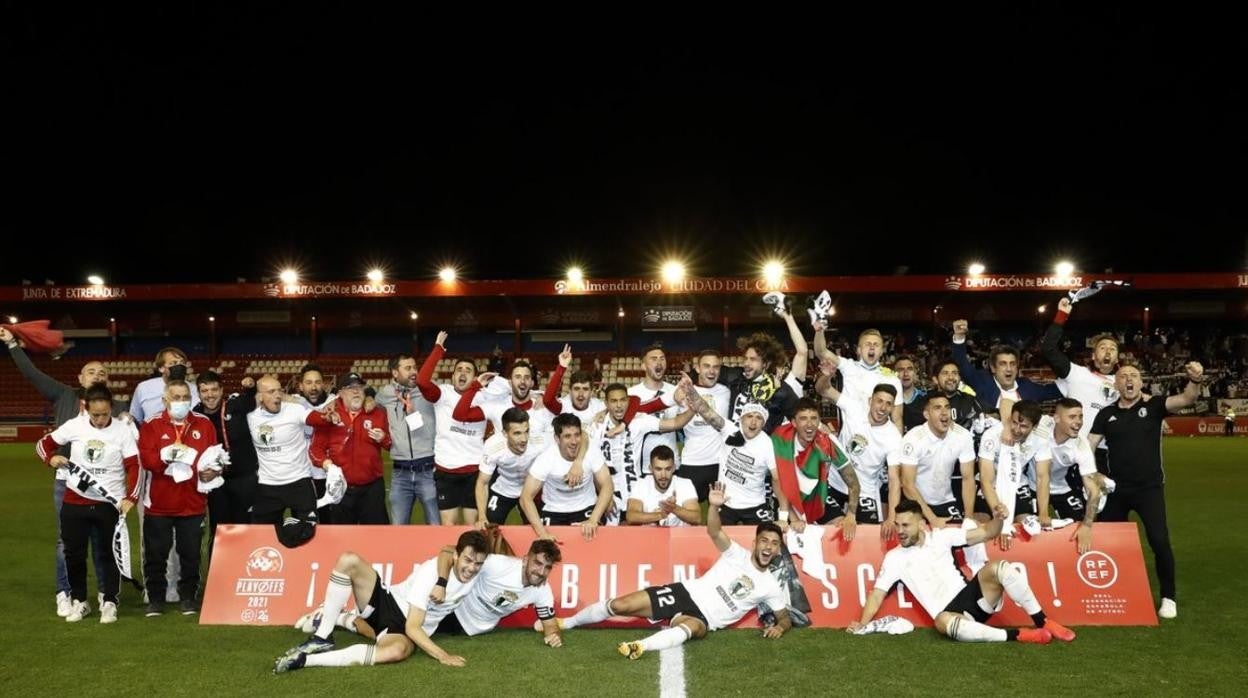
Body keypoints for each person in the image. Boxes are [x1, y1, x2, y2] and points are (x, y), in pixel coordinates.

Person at [555, 482, 792, 659]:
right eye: (764, 541)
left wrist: (780, 627)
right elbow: (714, 532)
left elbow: (784, 617)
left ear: (778, 549)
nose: (768, 547)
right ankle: (568, 622)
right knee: (619, 605)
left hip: (704, 618)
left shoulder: (770, 585)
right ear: (755, 543)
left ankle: (640, 646)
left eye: (773, 543)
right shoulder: (736, 553)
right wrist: (713, 507)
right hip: (684, 593)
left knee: (694, 629)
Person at [847, 499, 1074, 644]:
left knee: (999, 567)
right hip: (950, 615)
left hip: (974, 599)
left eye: (905, 525)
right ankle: (1020, 635)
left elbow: (986, 533)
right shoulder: (894, 557)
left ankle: (1044, 621)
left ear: (921, 524)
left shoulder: (942, 537)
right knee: (942, 622)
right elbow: (877, 594)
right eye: (897, 525)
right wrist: (863, 623)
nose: (900, 531)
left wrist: (999, 518)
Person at [2, 326, 115, 616]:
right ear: (80, 378)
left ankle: (106, 594)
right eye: (92, 372)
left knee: (103, 540)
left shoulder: (116, 408)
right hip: (67, 482)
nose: (97, 376)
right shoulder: (64, 394)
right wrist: (13, 344)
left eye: (102, 373)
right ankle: (65, 593)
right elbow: (31, 374)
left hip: (104, 483)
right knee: (67, 540)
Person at [273, 531, 489, 672]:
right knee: (348, 560)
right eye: (468, 560)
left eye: (478, 563)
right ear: (456, 556)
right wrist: (443, 656)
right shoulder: (430, 574)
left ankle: (307, 659)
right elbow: (413, 627)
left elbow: (449, 547)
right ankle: (322, 637)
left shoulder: (477, 566)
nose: (471, 568)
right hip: (390, 604)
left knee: (395, 652)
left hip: (398, 630)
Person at [1088, 359, 1204, 619]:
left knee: (1159, 541)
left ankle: (1168, 597)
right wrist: (1091, 473)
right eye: (1123, 376)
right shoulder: (1106, 414)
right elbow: (1089, 445)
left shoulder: (1153, 406)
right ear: (1116, 384)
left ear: (1141, 382)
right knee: (1106, 543)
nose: (1128, 379)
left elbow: (1186, 399)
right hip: (1115, 490)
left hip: (1149, 489)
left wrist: (1195, 380)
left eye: (1134, 376)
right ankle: (1115, 590)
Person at [36, 384, 140, 624]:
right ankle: (80, 601)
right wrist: (50, 458)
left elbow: (135, 466)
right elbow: (43, 445)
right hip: (74, 501)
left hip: (108, 503)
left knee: (107, 554)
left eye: (105, 414)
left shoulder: (122, 431)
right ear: (86, 408)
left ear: (111, 408)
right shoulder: (75, 425)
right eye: (95, 415)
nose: (101, 419)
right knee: (74, 555)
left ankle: (110, 601)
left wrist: (130, 497)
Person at [137, 380, 220, 616]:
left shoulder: (203, 424)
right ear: (165, 400)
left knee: (191, 554)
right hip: (159, 504)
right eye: (176, 397)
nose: (181, 402)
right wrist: (170, 457)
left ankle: (188, 598)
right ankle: (155, 599)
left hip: (193, 503)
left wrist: (213, 469)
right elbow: (149, 460)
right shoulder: (151, 425)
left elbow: (213, 457)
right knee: (156, 555)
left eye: (185, 397)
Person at [584, 380, 697, 523]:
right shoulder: (596, 426)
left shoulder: (638, 421)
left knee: (636, 537)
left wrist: (693, 410)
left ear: (628, 401)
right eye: (613, 401)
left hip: (632, 492)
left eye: (623, 400)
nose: (619, 405)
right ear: (606, 403)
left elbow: (674, 423)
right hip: (605, 493)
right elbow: (591, 464)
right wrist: (604, 494)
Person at [248, 376, 338, 547]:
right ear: (259, 396)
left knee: (308, 531)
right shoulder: (250, 416)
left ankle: (298, 558)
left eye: (279, 390)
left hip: (299, 482)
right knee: (261, 536)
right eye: (271, 391)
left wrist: (327, 417)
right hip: (268, 485)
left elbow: (315, 418)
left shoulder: (293, 410)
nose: (278, 395)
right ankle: (276, 567)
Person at [814, 368, 902, 534]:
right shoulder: (854, 407)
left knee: (866, 535)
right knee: (839, 529)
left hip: (864, 490)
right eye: (879, 401)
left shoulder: (893, 437)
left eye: (888, 404)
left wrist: (891, 518)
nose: (883, 407)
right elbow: (823, 389)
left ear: (892, 408)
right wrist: (826, 375)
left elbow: (894, 480)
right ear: (870, 401)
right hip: (834, 481)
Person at [416, 332, 488, 525]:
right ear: (453, 375)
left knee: (473, 529)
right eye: (459, 370)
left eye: (468, 370)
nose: (463, 373)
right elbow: (422, 381)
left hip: (474, 471)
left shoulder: (484, 397)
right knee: (448, 528)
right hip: (446, 471)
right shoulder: (443, 394)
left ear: (475, 377)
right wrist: (438, 350)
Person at [309, 372, 392, 524]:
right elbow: (315, 450)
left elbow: (389, 445)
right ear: (340, 393)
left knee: (376, 537)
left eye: (359, 387)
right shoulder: (329, 414)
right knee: (343, 538)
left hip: (372, 488)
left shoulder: (378, 413)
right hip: (341, 488)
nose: (356, 391)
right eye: (350, 388)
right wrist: (328, 465)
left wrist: (383, 438)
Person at [194, 370, 258, 559]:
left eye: (214, 389)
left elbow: (251, 399)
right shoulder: (196, 415)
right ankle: (219, 578)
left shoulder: (234, 405)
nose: (210, 395)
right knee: (220, 529)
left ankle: (247, 574)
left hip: (244, 479)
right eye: (204, 391)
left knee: (246, 528)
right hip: (216, 483)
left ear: (222, 390)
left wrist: (250, 385)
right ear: (198, 393)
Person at [520, 413, 614, 540]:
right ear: (557, 439)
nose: (574, 442)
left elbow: (607, 484)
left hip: (586, 507)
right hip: (554, 510)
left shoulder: (591, 452)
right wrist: (542, 534)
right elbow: (525, 497)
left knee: (593, 544)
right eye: (567, 436)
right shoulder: (546, 459)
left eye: (577, 435)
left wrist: (593, 519)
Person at [376, 352, 439, 525]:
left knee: (436, 528)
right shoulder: (385, 394)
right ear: (395, 373)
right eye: (408, 368)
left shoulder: (428, 392)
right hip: (400, 474)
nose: (413, 372)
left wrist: (412, 414)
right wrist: (367, 398)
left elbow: (421, 430)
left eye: (414, 367)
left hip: (427, 470)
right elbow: (371, 402)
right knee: (398, 530)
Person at [1034, 398, 1104, 553]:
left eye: (1080, 417)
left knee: (1082, 525)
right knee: (1026, 526)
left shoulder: (1081, 445)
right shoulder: (1039, 424)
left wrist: (1086, 525)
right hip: (1032, 485)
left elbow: (1093, 490)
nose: (1078, 422)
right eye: (1072, 417)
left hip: (1060, 488)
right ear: (1057, 418)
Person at [898, 395, 976, 527]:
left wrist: (969, 518)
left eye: (947, 407)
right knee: (920, 536)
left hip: (945, 500)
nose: (944, 413)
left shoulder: (963, 436)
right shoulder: (913, 439)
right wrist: (932, 518)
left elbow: (968, 479)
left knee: (966, 535)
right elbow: (907, 484)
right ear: (926, 414)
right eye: (937, 408)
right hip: (915, 502)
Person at [950, 320, 1061, 409]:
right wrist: (959, 337)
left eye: (1012, 364)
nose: (1009, 369)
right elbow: (961, 364)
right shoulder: (983, 382)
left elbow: (1057, 390)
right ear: (993, 368)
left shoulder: (1028, 387)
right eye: (1003, 364)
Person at [814, 324, 903, 429]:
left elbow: (897, 419)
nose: (872, 347)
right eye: (867, 344)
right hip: (850, 439)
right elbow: (821, 352)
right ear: (859, 350)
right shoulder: (848, 366)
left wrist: (898, 444)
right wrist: (819, 330)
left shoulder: (892, 379)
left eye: (876, 344)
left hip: (879, 440)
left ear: (881, 351)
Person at [677, 349, 733, 502]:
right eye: (707, 366)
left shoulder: (727, 392)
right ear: (697, 368)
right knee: (685, 514)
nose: (711, 371)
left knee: (719, 515)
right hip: (692, 463)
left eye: (716, 367)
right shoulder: (683, 393)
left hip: (720, 465)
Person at [476, 408, 547, 525]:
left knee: (537, 528)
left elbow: (578, 436)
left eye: (526, 431)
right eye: (517, 433)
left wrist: (577, 463)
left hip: (530, 490)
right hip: (503, 488)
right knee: (489, 527)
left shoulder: (541, 441)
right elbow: (482, 483)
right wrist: (482, 517)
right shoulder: (493, 447)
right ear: (504, 433)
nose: (524, 439)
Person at [625, 446, 700, 527]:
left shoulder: (685, 484)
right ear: (650, 469)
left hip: (677, 537)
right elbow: (631, 517)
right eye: (658, 469)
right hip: (648, 537)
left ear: (674, 468)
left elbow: (696, 518)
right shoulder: (641, 484)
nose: (663, 475)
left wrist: (673, 508)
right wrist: (660, 515)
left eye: (668, 469)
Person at [542, 345, 607, 429]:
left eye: (585, 389)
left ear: (592, 392)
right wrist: (562, 366)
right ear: (569, 391)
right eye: (576, 389)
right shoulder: (564, 406)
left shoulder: (599, 407)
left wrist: (606, 411)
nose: (581, 394)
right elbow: (547, 400)